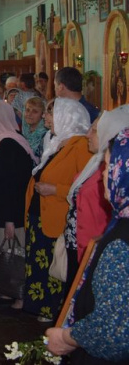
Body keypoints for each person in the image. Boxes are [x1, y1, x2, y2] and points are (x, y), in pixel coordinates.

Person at [46, 129, 129, 362]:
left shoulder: (121, 244)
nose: (103, 175)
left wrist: (66, 338)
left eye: (108, 166)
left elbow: (111, 332)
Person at [23, 98, 92, 320]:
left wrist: (55, 189)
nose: (45, 117)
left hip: (56, 215)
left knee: (52, 267)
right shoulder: (55, 141)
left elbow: (84, 186)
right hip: (40, 215)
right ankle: (38, 307)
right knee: (38, 264)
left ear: (67, 117)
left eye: (51, 114)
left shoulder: (81, 146)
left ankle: (52, 310)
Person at [63, 107, 129, 284]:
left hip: (92, 245)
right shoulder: (96, 162)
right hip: (81, 245)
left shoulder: (118, 172)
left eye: (95, 130)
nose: (87, 134)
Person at [0, 100, 36, 302]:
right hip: (5, 213)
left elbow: (12, 187)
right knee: (7, 255)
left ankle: (18, 294)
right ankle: (7, 288)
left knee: (16, 255)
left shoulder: (9, 146)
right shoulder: (6, 141)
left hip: (11, 214)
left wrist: (10, 220)